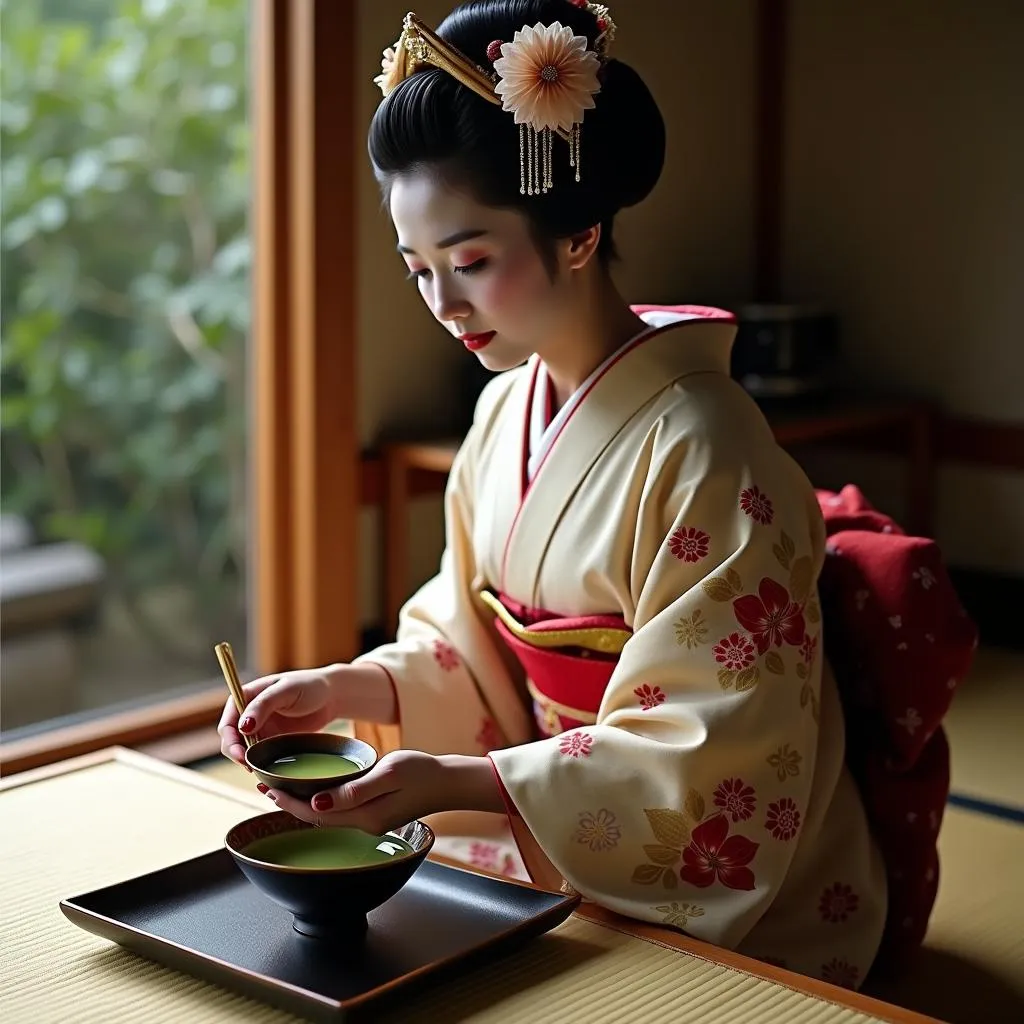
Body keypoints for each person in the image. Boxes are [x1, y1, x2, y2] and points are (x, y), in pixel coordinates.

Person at [219, 0, 890, 988]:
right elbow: (469, 646)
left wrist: (462, 780)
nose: (443, 305)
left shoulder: (710, 447)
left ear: (577, 233)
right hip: (553, 836)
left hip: (722, 898)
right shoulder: (501, 417)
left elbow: (711, 744)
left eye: (472, 261)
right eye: (418, 271)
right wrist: (345, 687)